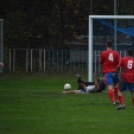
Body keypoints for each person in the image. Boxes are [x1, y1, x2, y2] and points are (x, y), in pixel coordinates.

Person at [99, 41, 120, 105]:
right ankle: (116, 99)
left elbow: (100, 62)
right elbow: (119, 62)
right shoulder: (116, 53)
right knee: (116, 85)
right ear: (112, 46)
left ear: (106, 45)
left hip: (107, 72)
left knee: (110, 86)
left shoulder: (103, 53)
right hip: (115, 72)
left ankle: (113, 101)